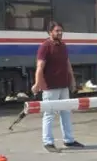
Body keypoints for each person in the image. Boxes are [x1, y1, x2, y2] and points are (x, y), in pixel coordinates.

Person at [32, 21, 84, 152]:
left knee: (66, 112)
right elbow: (40, 67)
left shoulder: (63, 46)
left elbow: (67, 64)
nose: (60, 33)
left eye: (61, 30)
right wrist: (37, 84)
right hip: (50, 87)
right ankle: (48, 142)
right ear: (50, 32)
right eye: (57, 31)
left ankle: (69, 140)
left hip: (63, 85)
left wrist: (72, 81)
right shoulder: (45, 47)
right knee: (49, 114)